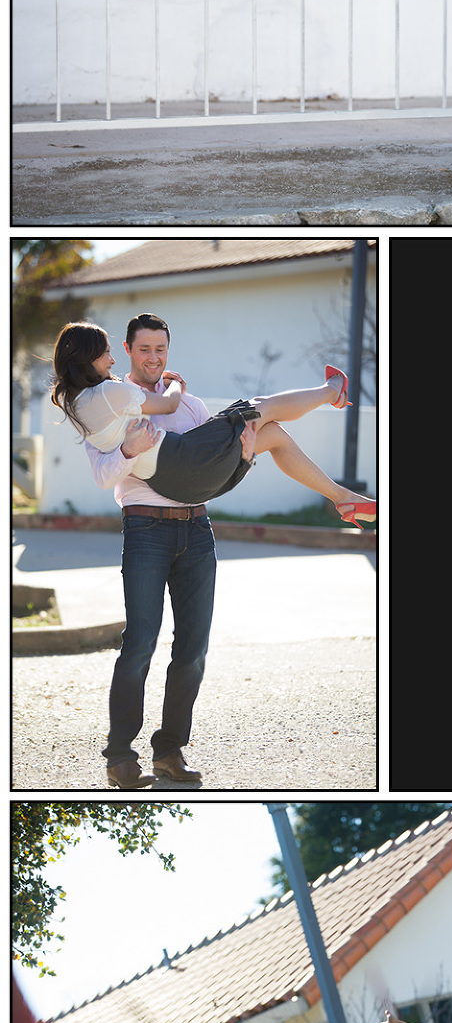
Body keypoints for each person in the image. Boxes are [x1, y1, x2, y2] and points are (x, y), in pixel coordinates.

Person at [51, 315, 371, 786]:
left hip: (197, 528)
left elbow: (211, 471)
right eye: (143, 349)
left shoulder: (191, 406)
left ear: (168, 351)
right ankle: (120, 757)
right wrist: (131, 447)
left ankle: (169, 752)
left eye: (161, 349)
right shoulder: (112, 397)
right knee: (139, 644)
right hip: (146, 528)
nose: (153, 357)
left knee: (193, 649)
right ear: (128, 349)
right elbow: (104, 473)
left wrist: (243, 458)